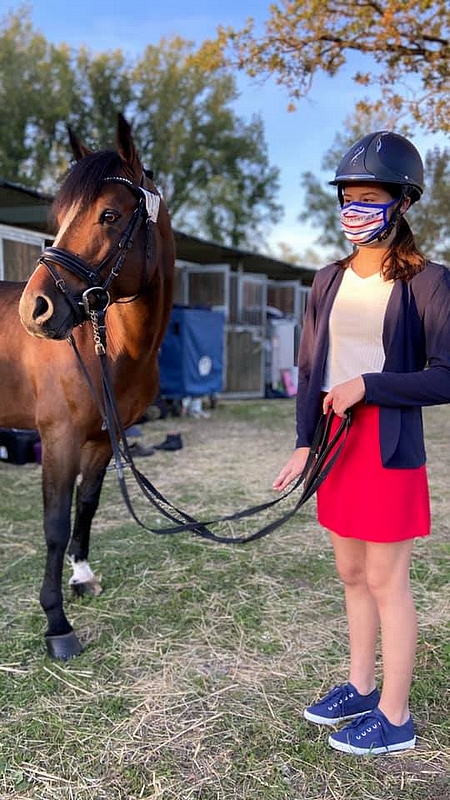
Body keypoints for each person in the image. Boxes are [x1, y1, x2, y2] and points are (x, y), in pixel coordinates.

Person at [273, 130, 450, 756]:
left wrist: (368, 386)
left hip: (387, 444)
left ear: (401, 203)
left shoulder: (428, 281)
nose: (354, 208)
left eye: (369, 196)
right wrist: (303, 443)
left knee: (385, 578)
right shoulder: (326, 279)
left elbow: (444, 376)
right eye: (347, 196)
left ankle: (396, 718)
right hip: (335, 442)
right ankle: (361, 685)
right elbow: (310, 363)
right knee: (350, 571)